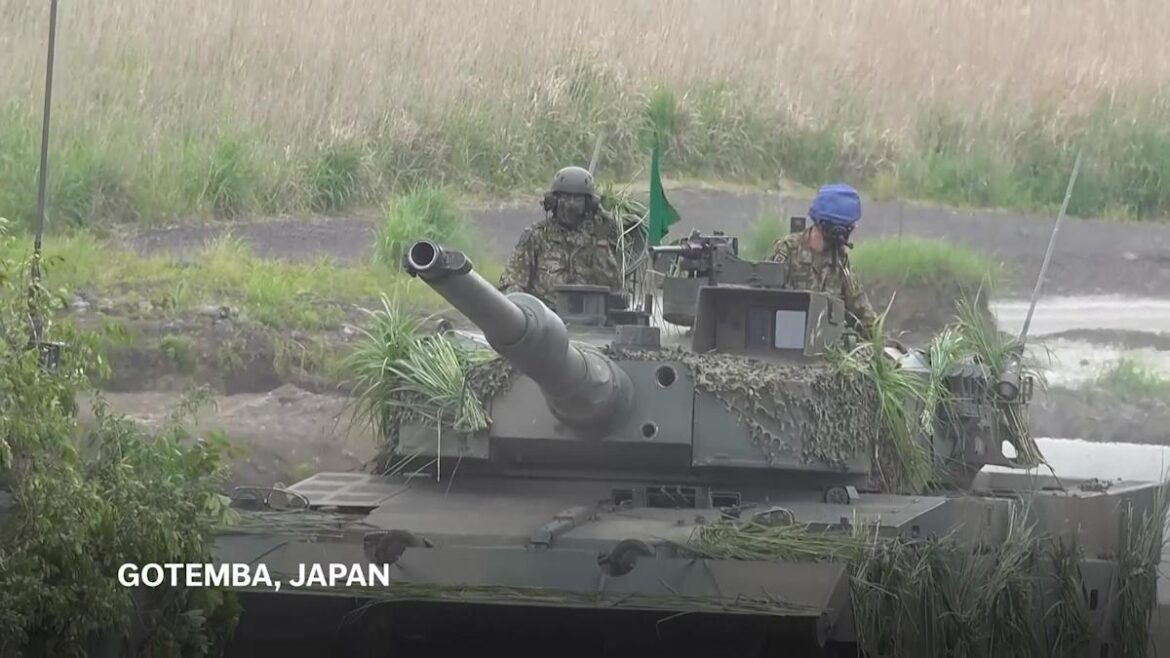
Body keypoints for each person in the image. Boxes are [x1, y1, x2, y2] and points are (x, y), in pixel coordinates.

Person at [498, 166, 624, 309]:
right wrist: (519, 307)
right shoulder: (537, 235)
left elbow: (613, 287)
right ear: (553, 201)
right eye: (565, 197)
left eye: (577, 199)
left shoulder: (597, 237)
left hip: (588, 318)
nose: (570, 205)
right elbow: (512, 281)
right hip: (544, 317)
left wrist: (602, 244)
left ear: (588, 205)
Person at [768, 183, 878, 340]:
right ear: (835, 229)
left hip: (825, 348)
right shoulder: (788, 250)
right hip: (786, 344)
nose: (853, 229)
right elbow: (765, 300)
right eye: (849, 227)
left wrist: (880, 343)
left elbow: (861, 309)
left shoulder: (840, 260)